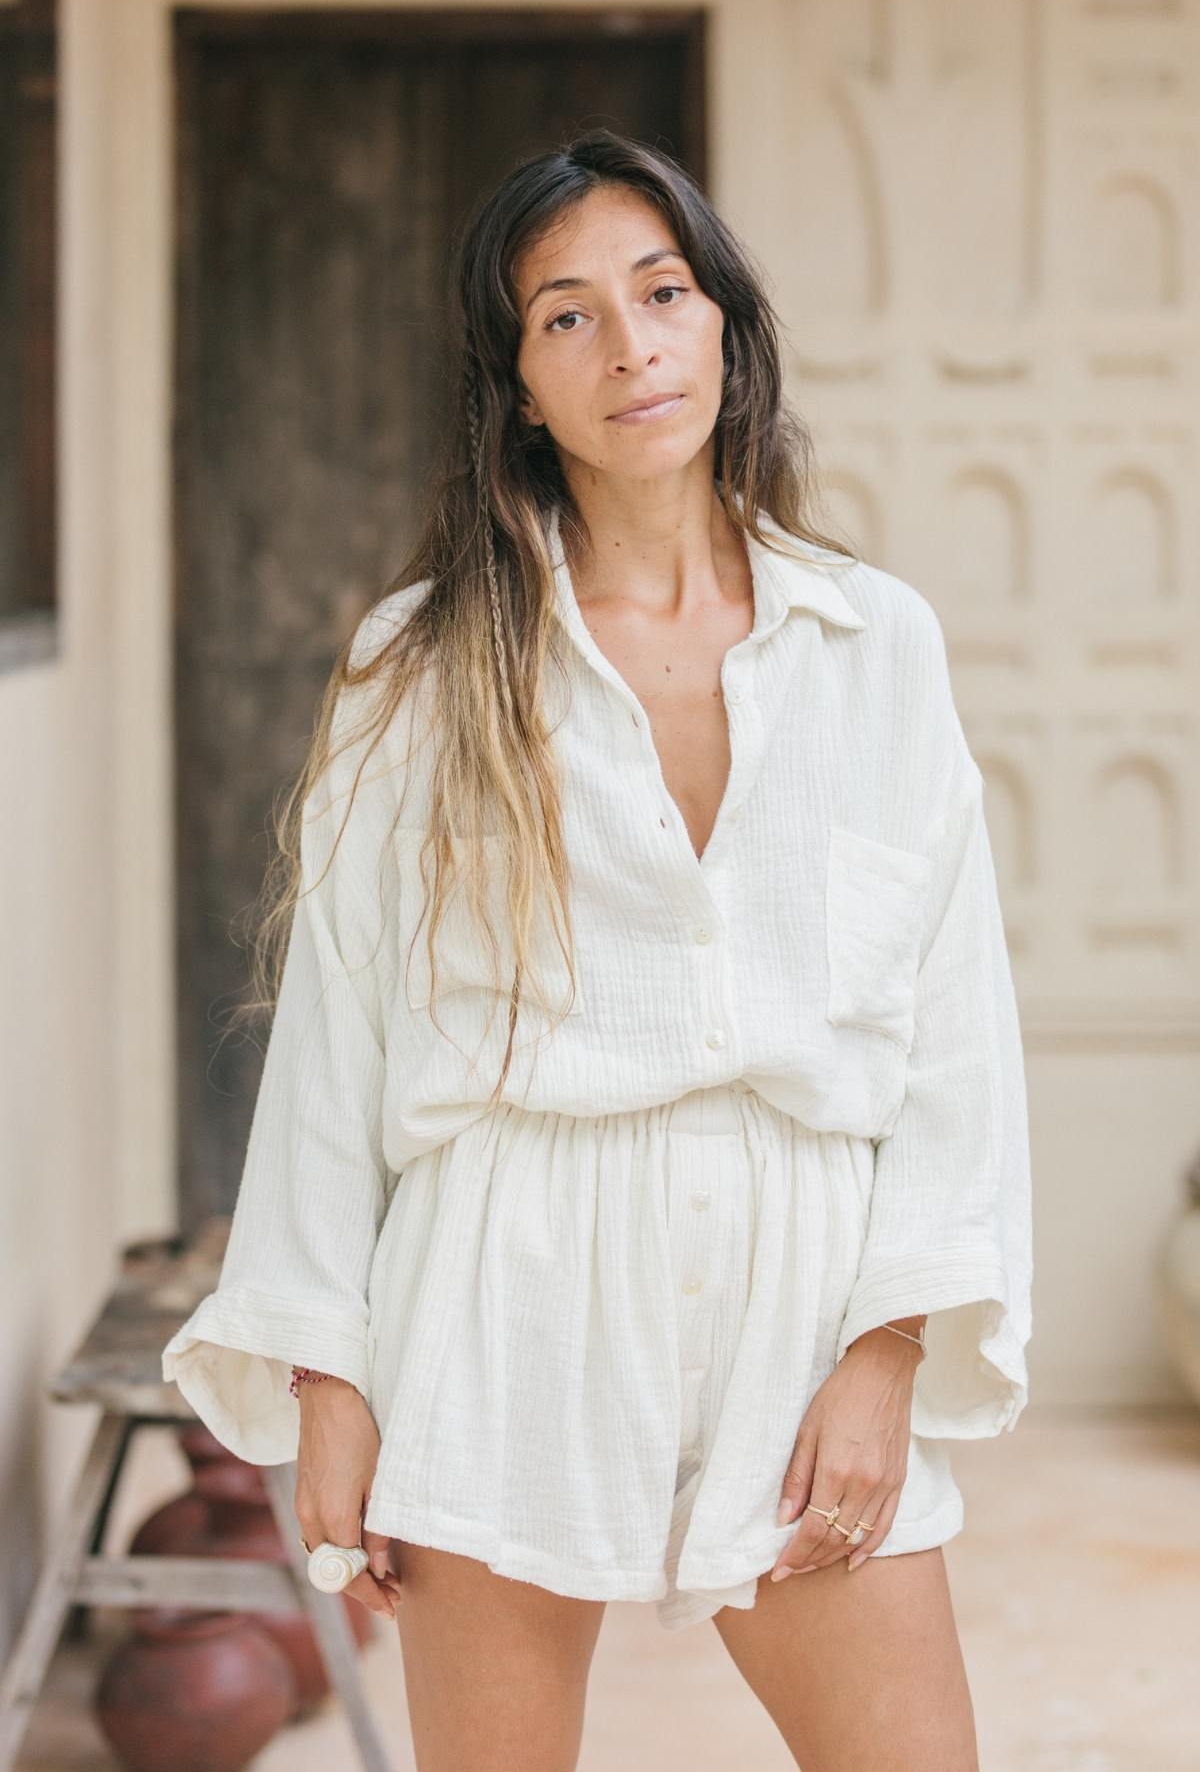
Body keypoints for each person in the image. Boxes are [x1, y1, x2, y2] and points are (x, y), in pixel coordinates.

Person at [162, 127, 1033, 1771]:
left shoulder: (875, 646)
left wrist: (890, 1345)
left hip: (804, 1279)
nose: (630, 343)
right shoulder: (420, 665)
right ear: (520, 386)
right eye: (566, 317)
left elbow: (954, 1025)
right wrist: (327, 1377)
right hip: (504, 1285)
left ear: (726, 331)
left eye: (663, 291)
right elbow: (338, 1028)